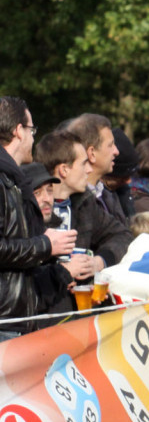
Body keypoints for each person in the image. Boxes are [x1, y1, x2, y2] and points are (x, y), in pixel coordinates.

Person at [0, 99, 75, 335]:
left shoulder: (11, 178)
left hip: (16, 318)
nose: (33, 138)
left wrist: (57, 273)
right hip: (5, 323)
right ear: (18, 131)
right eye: (32, 130)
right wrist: (46, 244)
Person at [34, 131, 130, 279]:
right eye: (84, 163)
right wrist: (62, 273)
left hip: (82, 299)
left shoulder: (84, 203)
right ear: (64, 170)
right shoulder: (30, 207)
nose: (89, 169)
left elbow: (122, 235)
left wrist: (98, 262)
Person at [65, 114, 125, 226]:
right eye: (110, 145)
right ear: (92, 153)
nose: (116, 151)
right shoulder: (71, 202)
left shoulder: (108, 195)